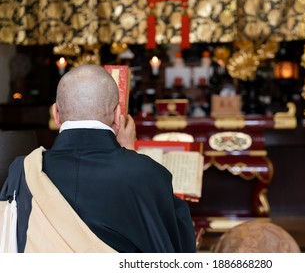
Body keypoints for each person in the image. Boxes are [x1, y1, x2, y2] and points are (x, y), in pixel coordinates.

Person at [0, 64, 196, 253]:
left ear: (56, 114)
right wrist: (129, 153)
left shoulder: (24, 172)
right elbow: (174, 253)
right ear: (118, 114)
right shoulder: (148, 174)